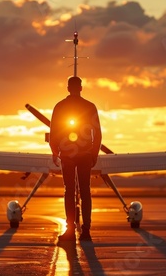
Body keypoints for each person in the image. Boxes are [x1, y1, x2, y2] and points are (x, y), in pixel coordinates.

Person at [49, 76, 102, 242]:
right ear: (81, 88)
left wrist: (55, 151)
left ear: (67, 88)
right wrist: (94, 153)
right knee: (85, 191)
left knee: (69, 191)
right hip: (85, 155)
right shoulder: (90, 106)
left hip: (67, 155)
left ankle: (70, 230)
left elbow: (53, 132)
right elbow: (98, 133)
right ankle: (86, 230)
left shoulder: (59, 106)